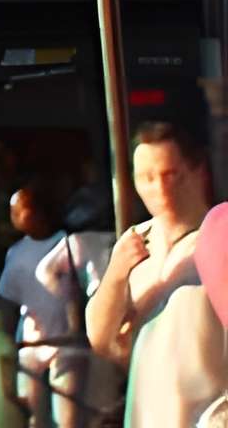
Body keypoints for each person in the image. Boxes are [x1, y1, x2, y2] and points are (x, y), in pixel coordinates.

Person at [89, 122, 226, 428]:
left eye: (170, 174)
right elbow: (100, 339)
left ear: (196, 171)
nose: (160, 188)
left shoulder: (220, 235)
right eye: (147, 178)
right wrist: (116, 274)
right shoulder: (132, 244)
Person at [0, 180, 119, 428]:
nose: (18, 216)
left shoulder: (68, 242)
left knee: (68, 418)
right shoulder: (15, 252)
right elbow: (10, 300)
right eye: (14, 211)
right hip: (31, 342)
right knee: (31, 416)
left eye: (24, 209)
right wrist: (8, 337)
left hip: (67, 343)